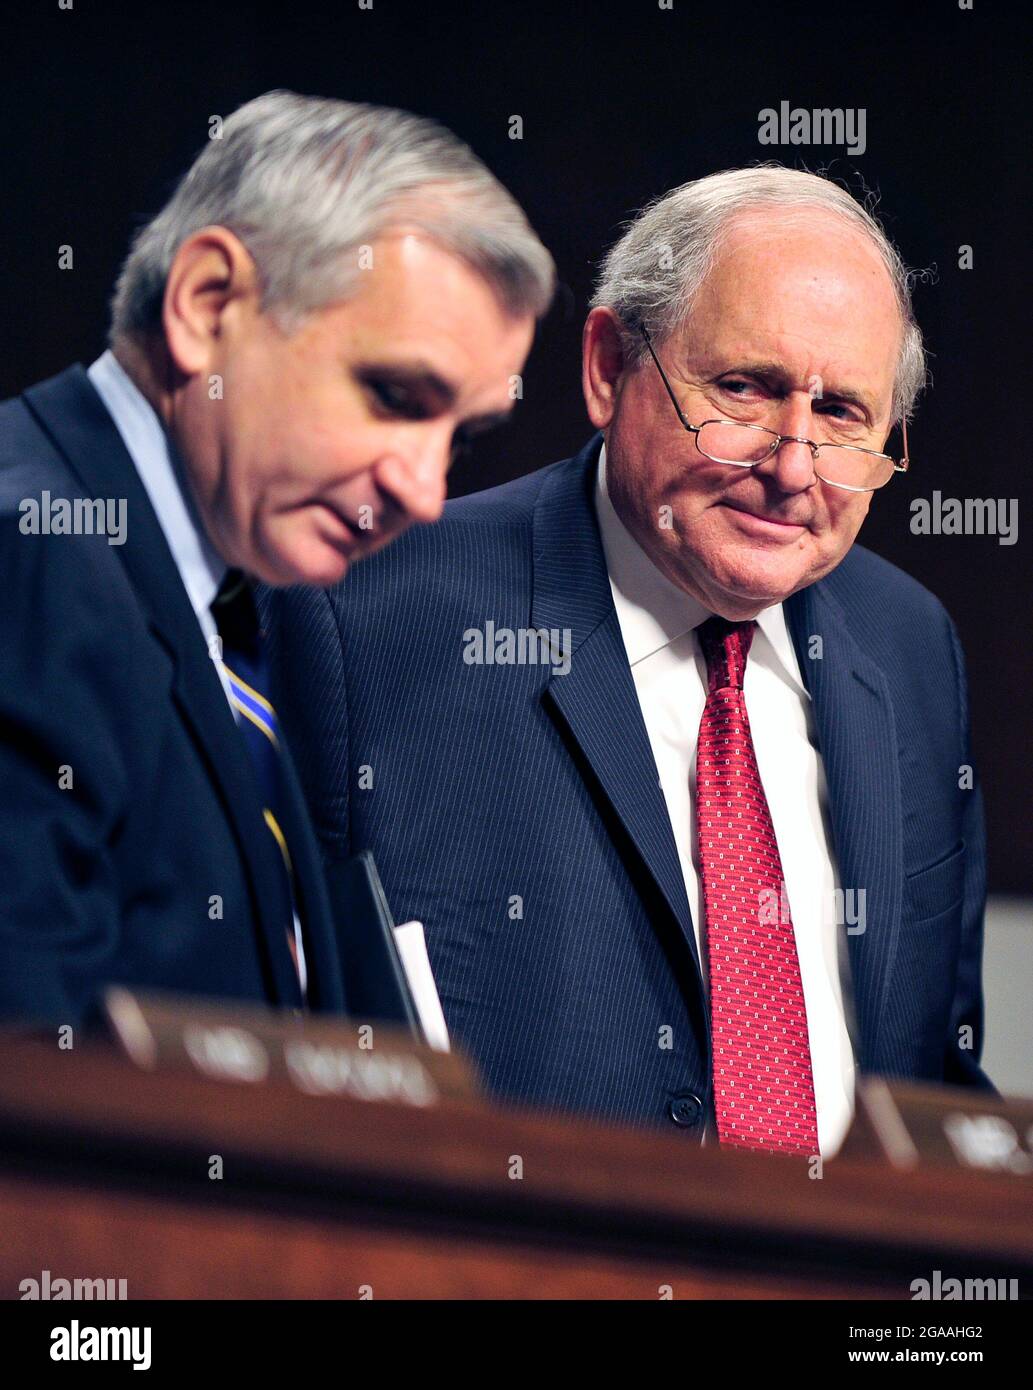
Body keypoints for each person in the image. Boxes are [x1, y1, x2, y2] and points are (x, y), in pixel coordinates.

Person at [265, 165, 991, 1157]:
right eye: (742, 388)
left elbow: (937, 1083)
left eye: (841, 416)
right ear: (607, 364)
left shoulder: (909, 646)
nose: (790, 466)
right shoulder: (363, 613)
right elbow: (264, 1041)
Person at [0, 90, 553, 1027]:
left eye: (459, 437)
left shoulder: (220, 592)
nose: (423, 491)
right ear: (207, 305)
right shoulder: (32, 558)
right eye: (392, 394)